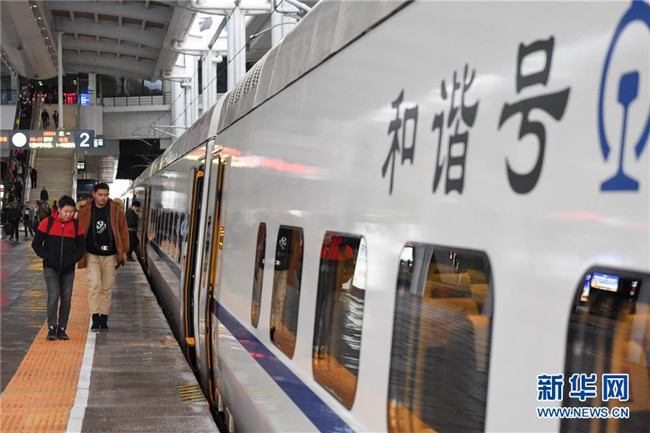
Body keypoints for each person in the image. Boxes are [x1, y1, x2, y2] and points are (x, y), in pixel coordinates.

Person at [32, 196, 85, 340]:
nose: (69, 215)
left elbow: (81, 247)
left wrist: (73, 259)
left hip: (68, 269)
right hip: (50, 267)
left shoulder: (76, 225)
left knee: (66, 298)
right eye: (66, 211)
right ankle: (51, 327)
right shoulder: (47, 222)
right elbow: (36, 244)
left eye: (71, 212)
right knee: (54, 296)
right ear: (59, 210)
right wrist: (47, 257)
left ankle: (62, 328)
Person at [77, 183, 129, 331]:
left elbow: (123, 231)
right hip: (91, 254)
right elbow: (79, 232)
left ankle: (104, 318)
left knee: (106, 287)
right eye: (100, 195)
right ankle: (95, 317)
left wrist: (124, 251)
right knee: (94, 285)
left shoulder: (116, 211)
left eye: (106, 195)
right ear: (93, 194)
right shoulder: (85, 211)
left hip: (110, 255)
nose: (103, 198)